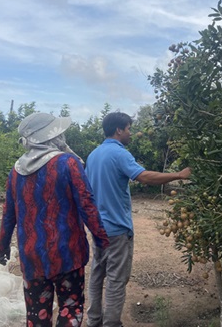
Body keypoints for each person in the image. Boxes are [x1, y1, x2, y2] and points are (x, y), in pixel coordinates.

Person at [0, 112, 109, 327]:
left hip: (32, 257)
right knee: (70, 308)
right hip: (67, 253)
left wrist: (2, 246)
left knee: (37, 316)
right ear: (52, 136)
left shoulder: (17, 170)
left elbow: (9, 212)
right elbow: (87, 205)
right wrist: (102, 240)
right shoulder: (68, 163)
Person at [85, 112, 191, 327]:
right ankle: (112, 323)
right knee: (116, 278)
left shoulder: (94, 155)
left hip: (98, 227)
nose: (130, 133)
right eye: (129, 129)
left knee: (97, 274)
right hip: (116, 229)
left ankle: (93, 321)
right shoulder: (119, 153)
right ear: (119, 130)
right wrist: (178, 175)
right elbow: (143, 176)